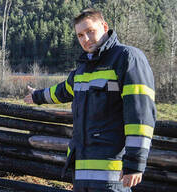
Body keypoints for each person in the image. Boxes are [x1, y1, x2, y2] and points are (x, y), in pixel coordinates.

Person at [24, 8, 156, 192]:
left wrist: (135, 162)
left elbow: (140, 114)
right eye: (80, 35)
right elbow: (63, 90)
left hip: (112, 174)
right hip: (81, 172)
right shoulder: (83, 69)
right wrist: (37, 96)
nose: (85, 39)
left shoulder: (127, 58)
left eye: (90, 31)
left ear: (104, 26)